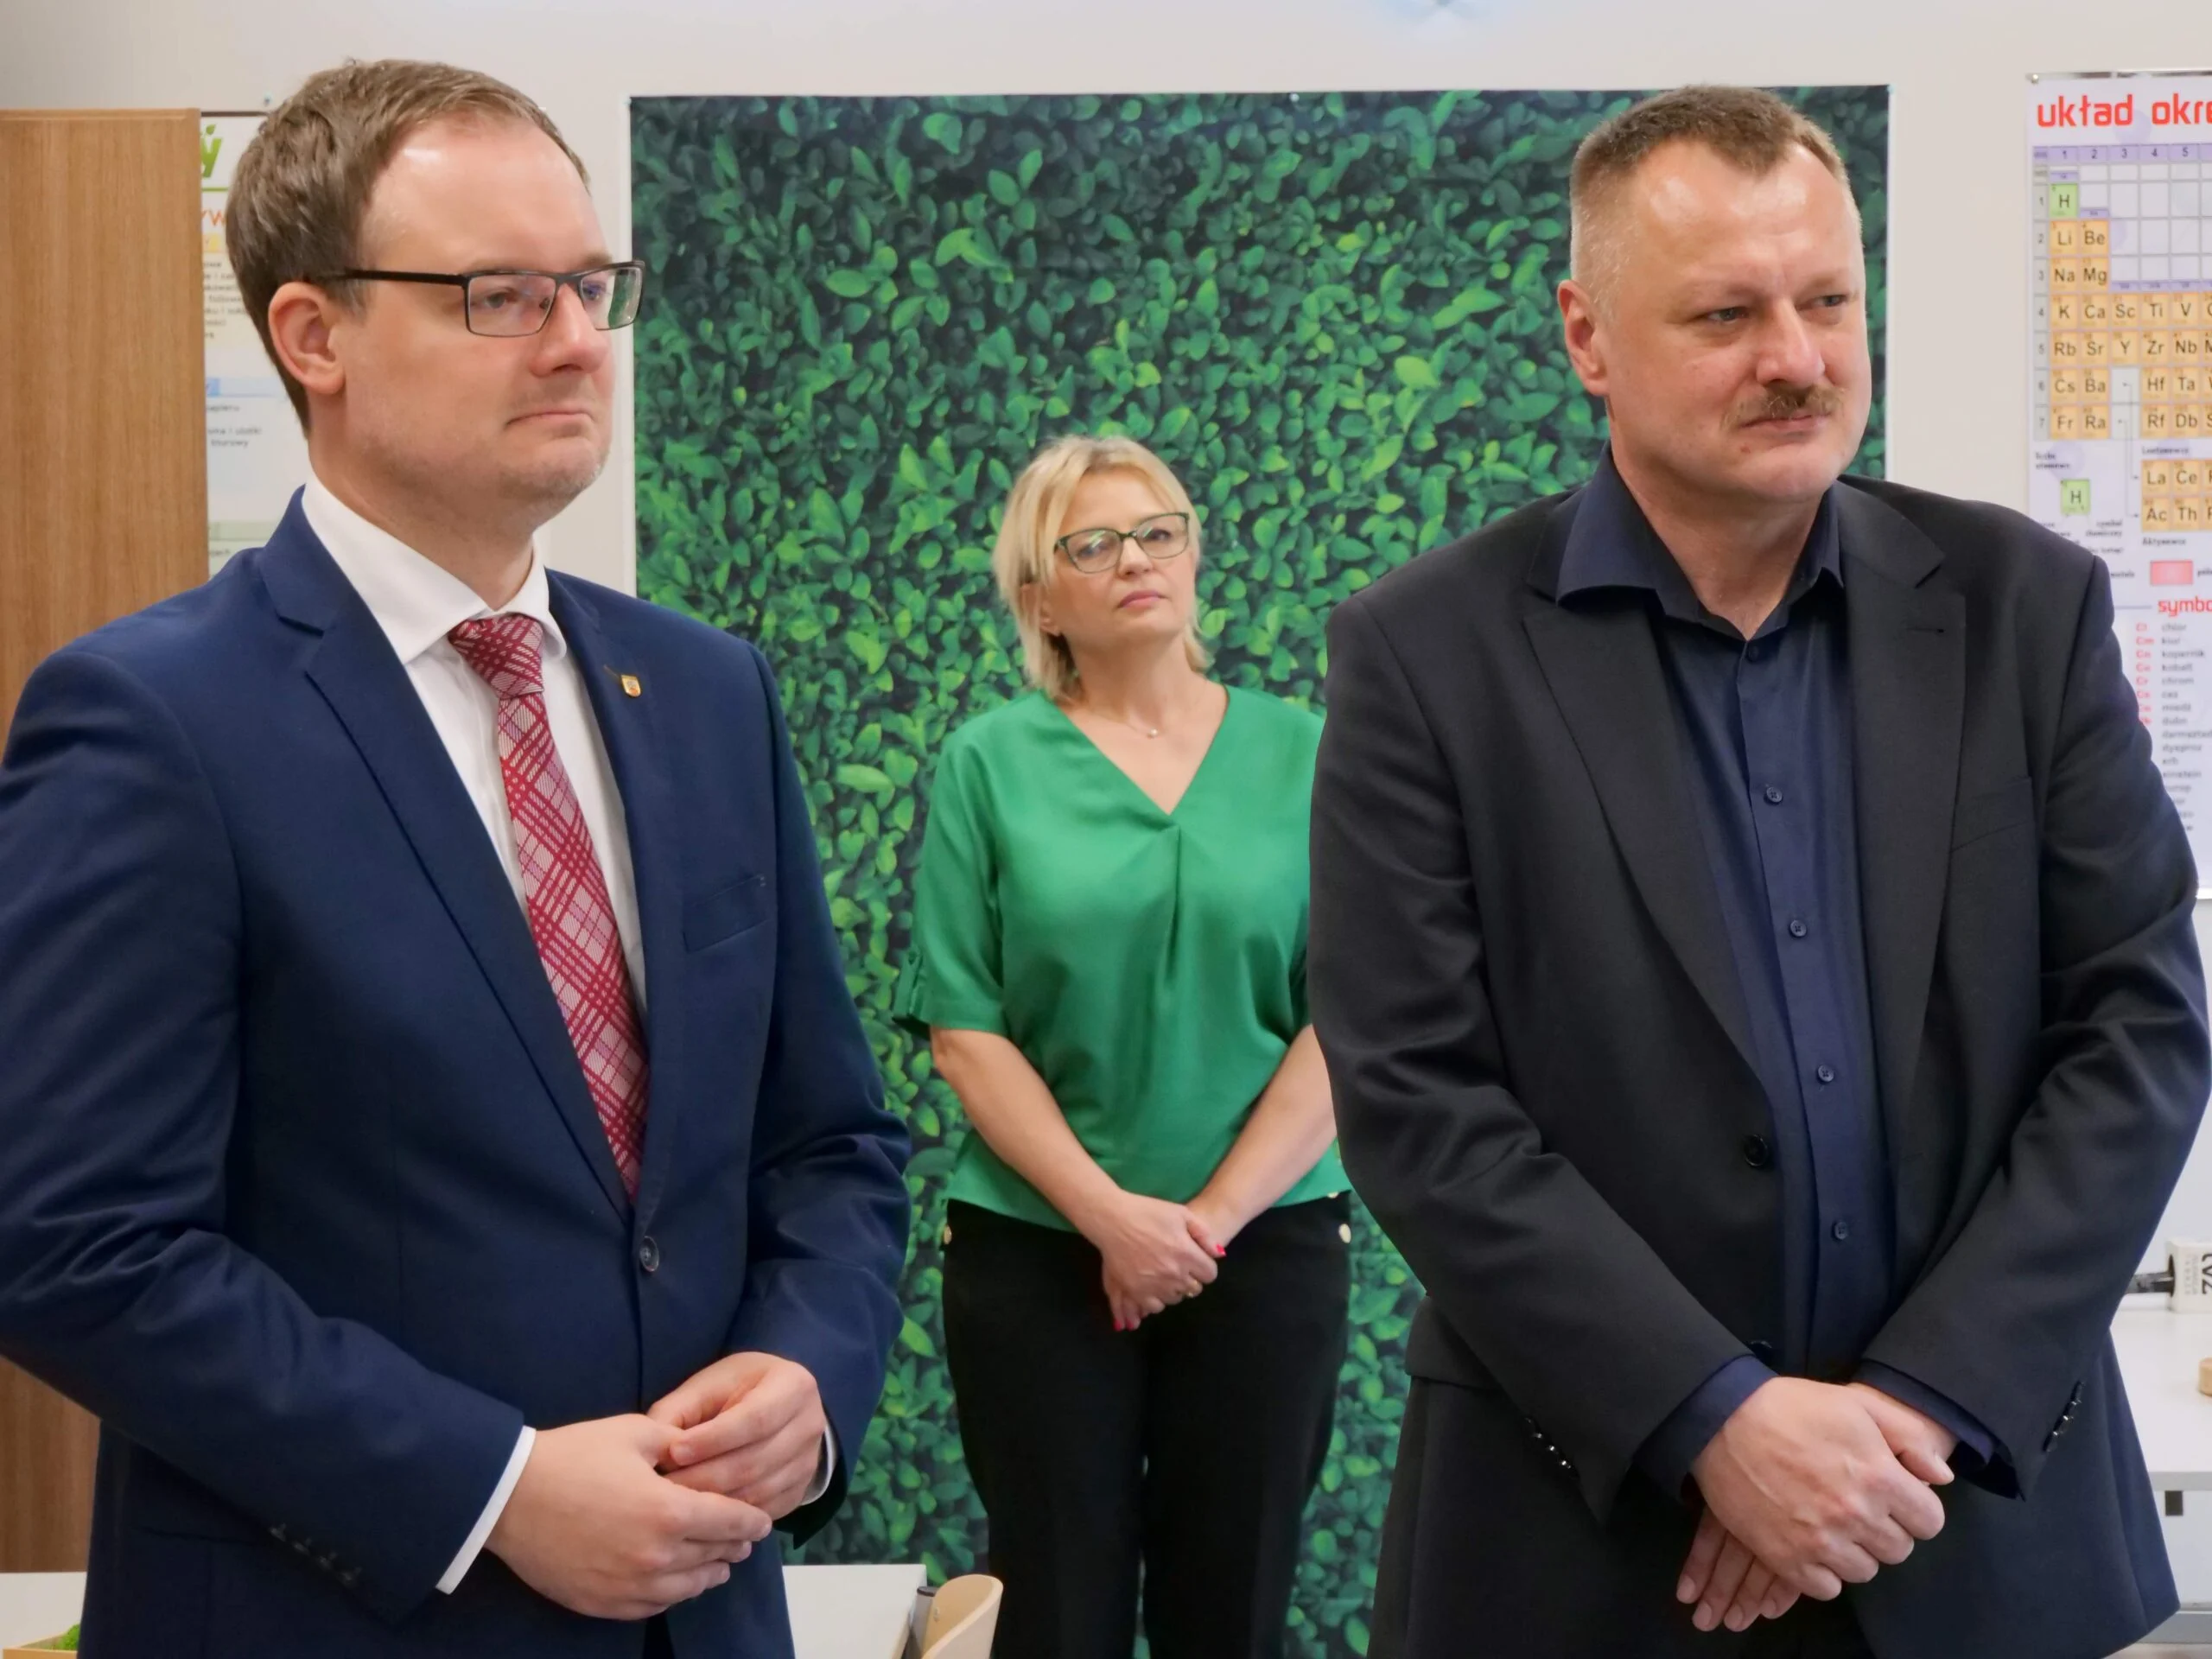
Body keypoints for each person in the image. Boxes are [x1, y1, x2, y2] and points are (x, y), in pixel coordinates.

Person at [0, 60, 910, 1659]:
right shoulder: (152, 720)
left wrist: (807, 1379)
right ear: (315, 336)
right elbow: (76, 1248)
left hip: (706, 1614)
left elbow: (827, 1143)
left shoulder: (707, 692)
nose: (577, 341)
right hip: (343, 1615)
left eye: (590, 286)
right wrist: (492, 1488)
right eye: (499, 295)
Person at [1309, 84, 2209, 1659]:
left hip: (1975, 1522)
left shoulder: (2024, 608)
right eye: (1726, 315)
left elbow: (2136, 1027)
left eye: (1828, 302)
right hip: (1586, 1548)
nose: (1796, 358)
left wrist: (1915, 1413)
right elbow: (1418, 1097)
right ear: (1588, 338)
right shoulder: (1427, 656)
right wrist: (1712, 1418)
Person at [896, 434, 1350, 1659]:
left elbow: (1350, 1019)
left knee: (1233, 1615)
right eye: (1091, 545)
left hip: (1264, 1244)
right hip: (1039, 1251)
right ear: (1040, 599)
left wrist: (1200, 1229)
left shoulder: (1309, 751)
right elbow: (966, 1033)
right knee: (1053, 1615)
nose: (1137, 559)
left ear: (1194, 555)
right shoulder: (989, 763)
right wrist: (1113, 1222)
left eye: (1159, 531)